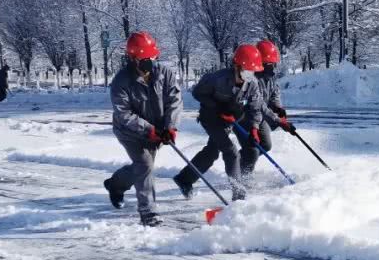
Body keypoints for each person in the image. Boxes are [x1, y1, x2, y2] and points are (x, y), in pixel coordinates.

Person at [173, 44, 293, 201]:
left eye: (253, 72)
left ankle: (184, 178)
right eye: (247, 71)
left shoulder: (252, 84)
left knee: (217, 151)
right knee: (231, 152)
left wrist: (255, 129)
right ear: (236, 66)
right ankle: (239, 197)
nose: (250, 75)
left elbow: (256, 108)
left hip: (232, 118)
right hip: (211, 118)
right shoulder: (217, 79)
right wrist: (217, 107)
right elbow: (197, 92)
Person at [103, 31, 182, 227]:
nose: (149, 62)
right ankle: (148, 213)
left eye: (152, 57)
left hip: (158, 130)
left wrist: (170, 127)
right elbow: (124, 114)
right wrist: (150, 130)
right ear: (132, 58)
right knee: (145, 164)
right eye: (143, 59)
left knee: (142, 167)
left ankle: (115, 184)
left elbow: (175, 100)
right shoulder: (121, 82)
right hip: (130, 132)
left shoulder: (165, 74)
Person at [241, 40, 288, 182]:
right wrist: (276, 119)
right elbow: (259, 103)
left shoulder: (271, 77)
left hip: (261, 116)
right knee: (253, 148)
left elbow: (275, 94)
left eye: (273, 63)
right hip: (248, 115)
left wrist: (278, 107)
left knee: (266, 145)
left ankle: (239, 161)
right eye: (268, 64)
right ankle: (244, 174)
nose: (272, 67)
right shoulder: (252, 79)